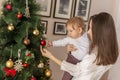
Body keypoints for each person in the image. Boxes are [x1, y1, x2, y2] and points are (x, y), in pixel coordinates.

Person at [40, 12, 119, 80]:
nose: (88, 32)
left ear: (100, 32)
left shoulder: (93, 56)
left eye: (91, 29)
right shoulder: (109, 53)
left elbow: (76, 70)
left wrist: (51, 56)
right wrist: (69, 51)